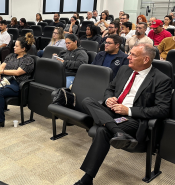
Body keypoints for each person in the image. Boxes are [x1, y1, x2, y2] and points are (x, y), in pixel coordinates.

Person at [74, 43, 172, 185]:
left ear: (145, 60)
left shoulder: (161, 79)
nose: (128, 57)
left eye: (133, 55)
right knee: (88, 100)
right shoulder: (124, 69)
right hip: (112, 112)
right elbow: (110, 89)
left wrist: (129, 110)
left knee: (102, 130)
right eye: (129, 53)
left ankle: (87, 178)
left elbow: (162, 110)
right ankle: (117, 132)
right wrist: (109, 98)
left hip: (132, 119)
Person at [0, 33, 35, 130]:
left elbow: (17, 72)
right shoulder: (11, 56)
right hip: (5, 79)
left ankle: (0, 121)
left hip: (17, 84)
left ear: (23, 49)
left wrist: (1, 72)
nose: (14, 47)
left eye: (16, 46)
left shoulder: (28, 60)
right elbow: (2, 65)